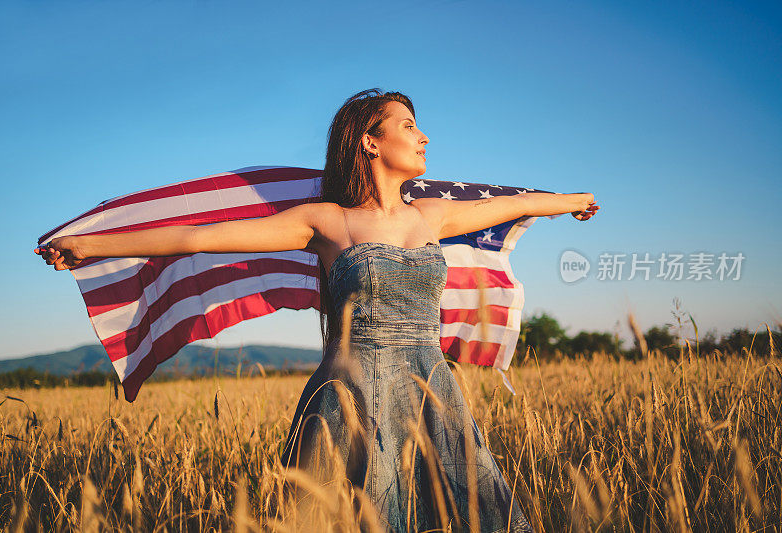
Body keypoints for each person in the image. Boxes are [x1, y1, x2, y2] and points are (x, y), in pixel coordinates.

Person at [36, 88, 598, 531]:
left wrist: (573, 202)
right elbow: (197, 238)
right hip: (349, 394)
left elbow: (512, 205)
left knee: (473, 509)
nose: (423, 136)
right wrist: (92, 245)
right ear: (370, 142)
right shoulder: (325, 221)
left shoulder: (429, 217)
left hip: (431, 391)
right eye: (408, 125)